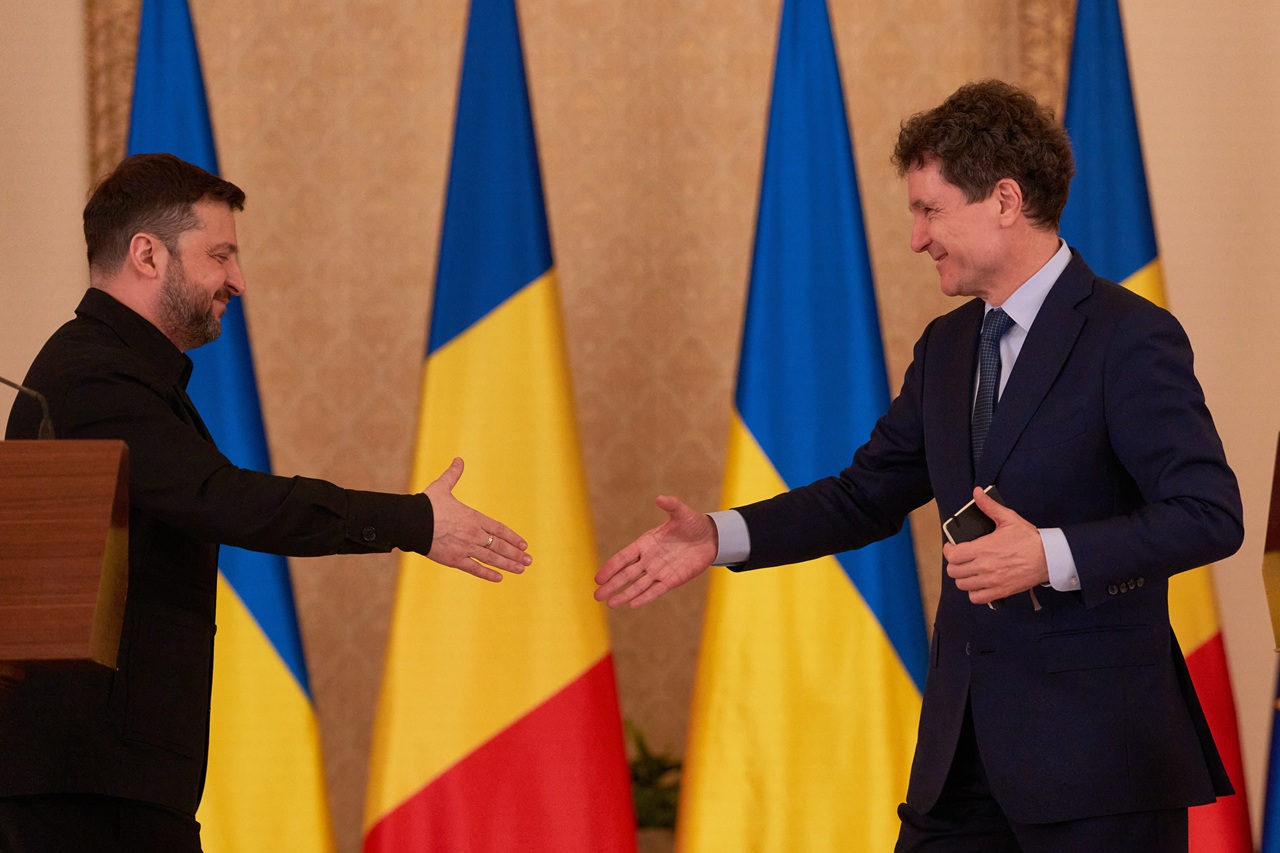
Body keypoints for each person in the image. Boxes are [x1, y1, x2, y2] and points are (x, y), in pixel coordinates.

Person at [595, 80, 1243, 852]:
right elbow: (862, 496)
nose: (916, 238)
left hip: (1099, 767)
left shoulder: (1129, 336)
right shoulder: (947, 346)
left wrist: (1048, 555)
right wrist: (717, 535)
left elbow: (1208, 513)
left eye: (929, 210)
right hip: (958, 763)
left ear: (1005, 199)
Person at [0, 153, 532, 852]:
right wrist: (412, 521)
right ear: (147, 255)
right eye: (220, 255)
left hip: (111, 780)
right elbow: (220, 498)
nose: (238, 280)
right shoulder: (95, 376)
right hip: (89, 791)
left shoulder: (113, 372)